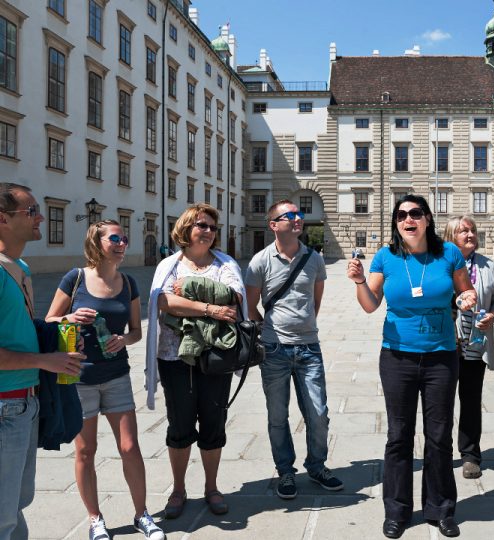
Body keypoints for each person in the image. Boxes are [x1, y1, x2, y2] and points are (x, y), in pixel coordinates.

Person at [347, 194, 477, 539]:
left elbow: (466, 291)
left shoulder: (448, 253)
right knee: (399, 436)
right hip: (398, 356)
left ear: (427, 219)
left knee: (438, 437)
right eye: (402, 215)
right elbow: (370, 305)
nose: (408, 219)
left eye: (415, 213)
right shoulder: (386, 257)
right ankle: (397, 511)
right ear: (396, 222)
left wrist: (468, 298)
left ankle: (441, 509)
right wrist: (360, 281)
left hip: (441, 355)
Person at [45, 221, 163, 540]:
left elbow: (137, 331)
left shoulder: (128, 283)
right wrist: (68, 319)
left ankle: (142, 514)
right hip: (80, 376)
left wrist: (124, 340)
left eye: (124, 237)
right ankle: (95, 518)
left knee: (130, 447)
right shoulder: (76, 278)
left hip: (117, 375)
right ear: (96, 243)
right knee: (86, 451)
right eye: (115, 238)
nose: (122, 242)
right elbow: (49, 321)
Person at [145, 203, 245, 519]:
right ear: (186, 228)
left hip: (216, 356)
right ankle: (178, 489)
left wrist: (187, 294)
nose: (207, 232)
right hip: (174, 357)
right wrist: (209, 308)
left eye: (213, 228)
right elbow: (163, 301)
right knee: (180, 424)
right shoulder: (169, 264)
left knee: (213, 423)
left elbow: (235, 297)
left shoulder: (226, 262)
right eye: (201, 225)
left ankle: (212, 487)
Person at [0, 183, 84, 540]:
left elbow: (14, 330)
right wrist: (45, 360)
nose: (39, 217)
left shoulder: (18, 266)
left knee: (16, 506)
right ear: (2, 219)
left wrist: (55, 328)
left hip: (24, 403)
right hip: (5, 406)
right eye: (31, 211)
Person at [245, 200, 343, 501]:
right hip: (274, 350)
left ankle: (316, 466)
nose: (298, 218)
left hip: (309, 348)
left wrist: (302, 327)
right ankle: (286, 471)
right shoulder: (259, 261)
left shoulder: (314, 259)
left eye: (299, 214)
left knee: (318, 413)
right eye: (289, 216)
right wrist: (273, 332)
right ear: (274, 224)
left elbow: (315, 302)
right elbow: (251, 309)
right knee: (278, 415)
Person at [442, 215, 494, 480]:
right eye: (462, 231)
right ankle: (440, 454)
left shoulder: (487, 265)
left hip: (476, 345)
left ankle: (470, 455)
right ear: (450, 237)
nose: (470, 234)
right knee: (441, 403)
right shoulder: (439, 264)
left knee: (470, 400)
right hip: (445, 344)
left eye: (472, 230)